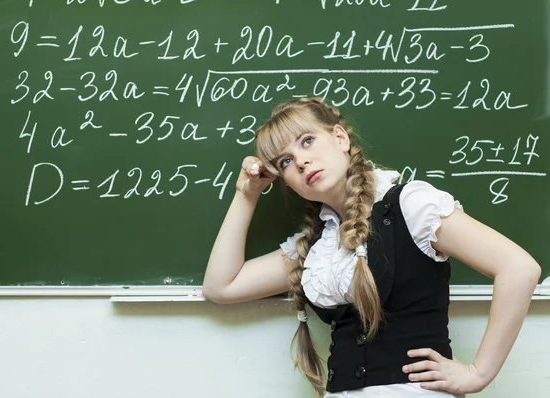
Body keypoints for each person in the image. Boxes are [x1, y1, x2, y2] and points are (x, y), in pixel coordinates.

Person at [202, 97, 541, 398]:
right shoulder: (316, 245)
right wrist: (246, 195)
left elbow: (519, 267)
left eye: (307, 141)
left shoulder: (410, 205)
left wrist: (478, 373)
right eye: (286, 161)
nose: (301, 161)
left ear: (340, 138)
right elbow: (222, 285)